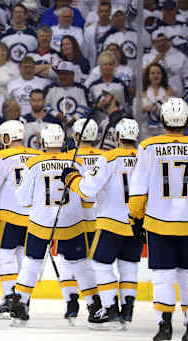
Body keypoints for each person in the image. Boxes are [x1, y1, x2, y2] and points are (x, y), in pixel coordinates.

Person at [11, 123, 99, 326]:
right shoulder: (75, 161)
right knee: (80, 264)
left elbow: (23, 199)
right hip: (72, 221)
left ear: (42, 142)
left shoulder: (33, 163)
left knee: (31, 262)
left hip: (40, 222)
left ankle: (20, 303)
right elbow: (87, 196)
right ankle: (94, 305)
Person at [62, 118, 142, 329]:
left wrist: (72, 179)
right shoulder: (145, 157)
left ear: (116, 137)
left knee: (100, 264)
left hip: (111, 221)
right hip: (138, 221)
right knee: (129, 266)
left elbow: (88, 189)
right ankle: (127, 310)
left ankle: (109, 309)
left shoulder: (109, 158)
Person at [128, 97, 188, 341]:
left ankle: (164, 325)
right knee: (186, 275)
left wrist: (136, 217)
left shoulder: (148, 146)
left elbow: (138, 187)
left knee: (163, 275)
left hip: (158, 222)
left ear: (162, 119)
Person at [0, 120, 41, 319]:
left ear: (7, 137)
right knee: (25, 258)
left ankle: (10, 296)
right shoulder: (37, 155)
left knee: (5, 255)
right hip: (34, 217)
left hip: (10, 215)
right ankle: (23, 299)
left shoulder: (2, 156)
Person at [45, 61, 91, 133]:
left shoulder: (81, 89)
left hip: (76, 133)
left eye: (66, 74)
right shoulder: (49, 88)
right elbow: (44, 106)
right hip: (53, 133)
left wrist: (75, 118)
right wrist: (56, 114)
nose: (63, 77)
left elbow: (87, 108)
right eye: (60, 73)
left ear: (72, 75)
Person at [142, 29, 188, 99]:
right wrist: (155, 61)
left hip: (178, 98)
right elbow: (141, 76)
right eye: (158, 41)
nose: (161, 43)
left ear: (169, 41)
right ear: (153, 43)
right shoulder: (147, 57)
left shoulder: (180, 56)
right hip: (153, 100)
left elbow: (186, 77)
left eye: (164, 40)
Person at [137, 63, 175, 140]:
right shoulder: (141, 92)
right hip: (146, 133)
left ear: (162, 75)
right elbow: (136, 114)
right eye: (152, 73)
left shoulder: (169, 91)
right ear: (148, 76)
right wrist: (144, 109)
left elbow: (175, 112)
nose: (155, 75)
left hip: (164, 133)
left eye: (158, 73)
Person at [83, 1, 113, 71]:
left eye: (106, 11)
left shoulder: (115, 30)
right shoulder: (89, 31)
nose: (103, 14)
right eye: (101, 11)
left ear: (110, 13)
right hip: (94, 67)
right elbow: (85, 53)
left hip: (111, 67)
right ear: (98, 13)